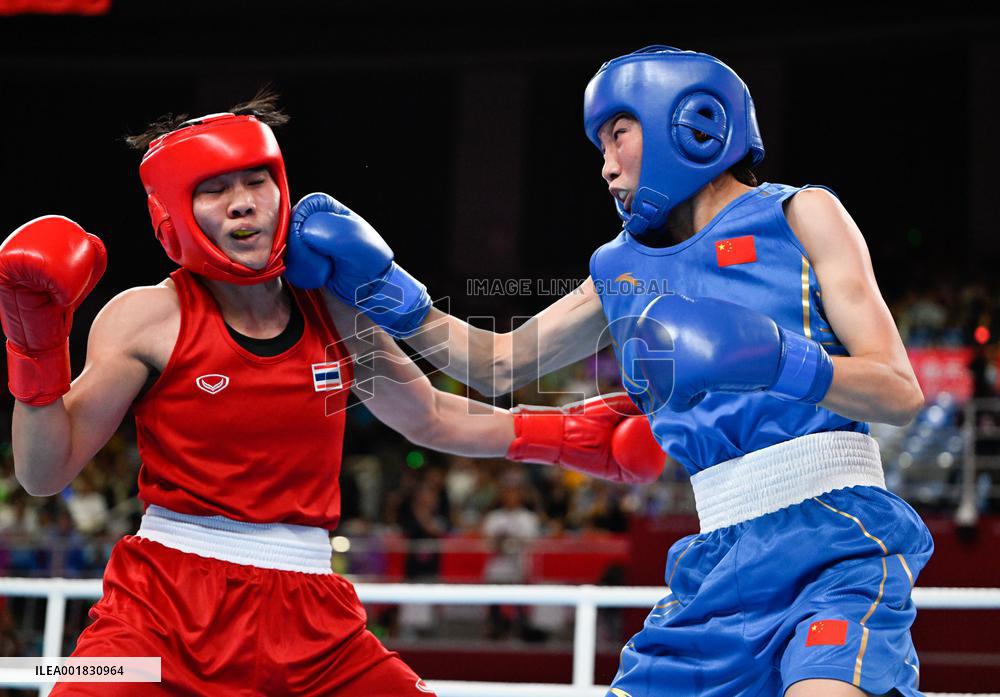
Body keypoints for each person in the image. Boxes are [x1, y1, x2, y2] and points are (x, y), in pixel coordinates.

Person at [284, 47, 934, 696]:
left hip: (835, 536)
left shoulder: (799, 214)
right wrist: (381, 290)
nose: (606, 166)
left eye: (618, 135)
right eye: (600, 145)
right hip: (717, 561)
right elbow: (497, 363)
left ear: (692, 122)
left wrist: (779, 358)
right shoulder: (620, 269)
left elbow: (900, 392)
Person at [0, 94, 664, 695]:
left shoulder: (333, 308)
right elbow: (42, 473)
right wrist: (36, 348)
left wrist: (564, 433)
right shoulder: (147, 316)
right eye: (215, 189)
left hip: (315, 625)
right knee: (76, 679)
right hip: (158, 619)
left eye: (256, 180)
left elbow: (427, 415)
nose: (243, 203)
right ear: (173, 211)